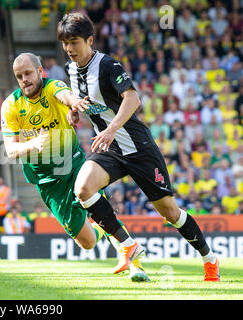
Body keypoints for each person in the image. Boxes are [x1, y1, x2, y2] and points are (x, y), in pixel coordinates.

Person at [57, 12, 219, 281]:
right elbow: (85, 102)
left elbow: (132, 99)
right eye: (65, 43)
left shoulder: (108, 65)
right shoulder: (71, 69)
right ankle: (128, 245)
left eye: (74, 42)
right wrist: (73, 112)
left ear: (90, 40)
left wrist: (110, 129)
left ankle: (209, 259)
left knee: (169, 212)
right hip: (108, 147)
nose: (70, 49)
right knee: (83, 189)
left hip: (137, 145)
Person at [1, 52, 149, 282]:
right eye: (19, 76)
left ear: (41, 72)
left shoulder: (52, 87)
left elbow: (65, 95)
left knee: (96, 204)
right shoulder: (11, 105)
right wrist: (32, 144)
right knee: (88, 242)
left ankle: (135, 264)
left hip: (74, 164)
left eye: (28, 73)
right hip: (48, 182)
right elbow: (10, 150)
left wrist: (75, 103)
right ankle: (105, 230)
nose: (24, 79)